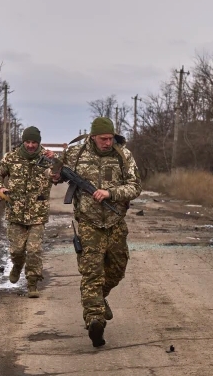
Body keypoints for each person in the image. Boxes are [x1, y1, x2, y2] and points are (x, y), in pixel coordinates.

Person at [52, 117, 141, 348]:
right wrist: (53, 168)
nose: (107, 142)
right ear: (93, 137)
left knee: (117, 270)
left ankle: (98, 301)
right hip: (89, 224)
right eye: (103, 139)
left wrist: (110, 193)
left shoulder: (123, 155)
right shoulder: (75, 154)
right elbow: (54, 176)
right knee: (92, 274)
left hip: (115, 222)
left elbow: (135, 186)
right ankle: (95, 320)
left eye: (111, 138)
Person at [0, 126, 55, 298]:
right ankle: (17, 265)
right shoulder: (11, 158)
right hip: (15, 212)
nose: (31, 145)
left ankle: (32, 283)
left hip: (37, 214)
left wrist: (57, 161)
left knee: (34, 250)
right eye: (28, 141)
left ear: (39, 142)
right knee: (17, 250)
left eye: (34, 142)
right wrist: (0, 187)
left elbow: (61, 174)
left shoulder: (47, 159)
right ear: (23, 141)